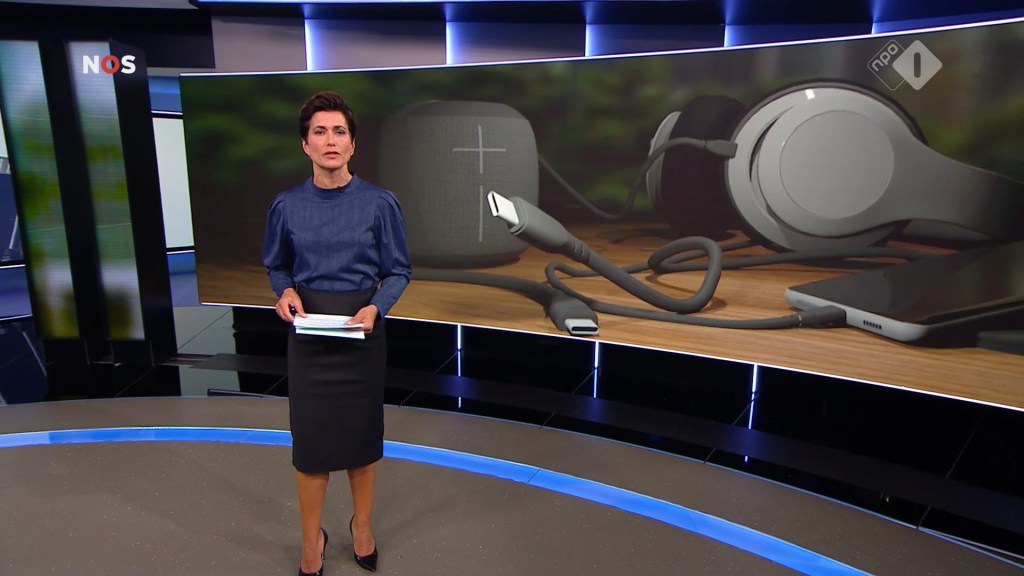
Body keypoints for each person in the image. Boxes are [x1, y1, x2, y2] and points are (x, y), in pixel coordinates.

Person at [262, 91, 412, 575]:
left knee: (360, 442)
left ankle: (361, 529)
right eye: (320, 132)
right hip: (309, 336)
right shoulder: (286, 205)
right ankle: (312, 542)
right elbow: (277, 266)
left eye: (339, 131)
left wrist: (376, 308)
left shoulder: (379, 203)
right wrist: (285, 291)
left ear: (352, 144)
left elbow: (398, 271)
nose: (330, 140)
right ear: (305, 144)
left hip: (361, 332)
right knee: (311, 447)